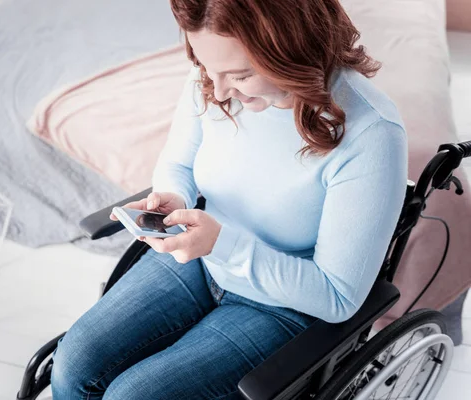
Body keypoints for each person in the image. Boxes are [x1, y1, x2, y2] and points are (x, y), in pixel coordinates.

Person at [51, 0, 408, 398]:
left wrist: (222, 244)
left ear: (291, 49)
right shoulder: (213, 76)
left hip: (281, 303)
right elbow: (179, 163)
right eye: (206, 68)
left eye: (239, 75)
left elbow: (338, 298)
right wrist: (172, 195)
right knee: (72, 365)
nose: (218, 91)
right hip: (199, 260)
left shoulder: (371, 133)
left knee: (133, 396)